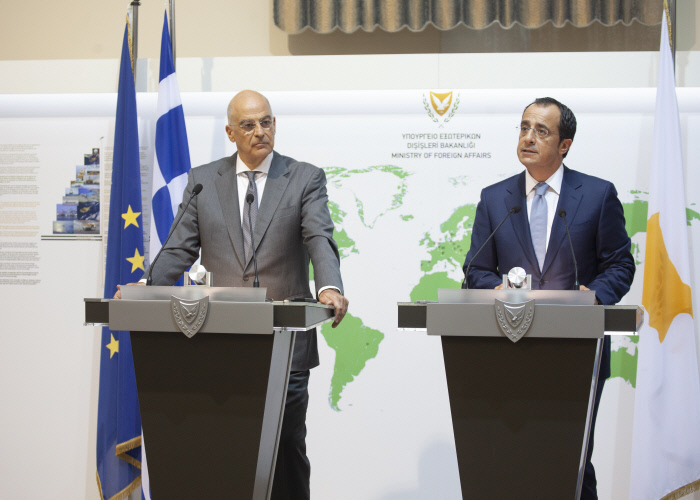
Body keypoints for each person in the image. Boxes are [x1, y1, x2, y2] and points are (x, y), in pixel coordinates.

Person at [119, 90, 348, 500]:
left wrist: (329, 286)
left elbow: (319, 236)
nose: (260, 131)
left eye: (267, 121)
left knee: (286, 450)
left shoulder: (304, 178)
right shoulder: (204, 181)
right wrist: (147, 287)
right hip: (221, 345)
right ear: (230, 132)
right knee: (224, 451)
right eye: (248, 125)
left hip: (285, 345)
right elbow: (179, 248)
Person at [462, 97, 635, 499]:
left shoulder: (597, 194)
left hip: (577, 350)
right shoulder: (495, 198)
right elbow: (475, 269)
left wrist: (595, 296)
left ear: (565, 145)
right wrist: (494, 289)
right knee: (512, 460)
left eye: (541, 131)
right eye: (524, 127)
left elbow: (619, 265)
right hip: (507, 348)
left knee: (571, 460)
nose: (528, 137)